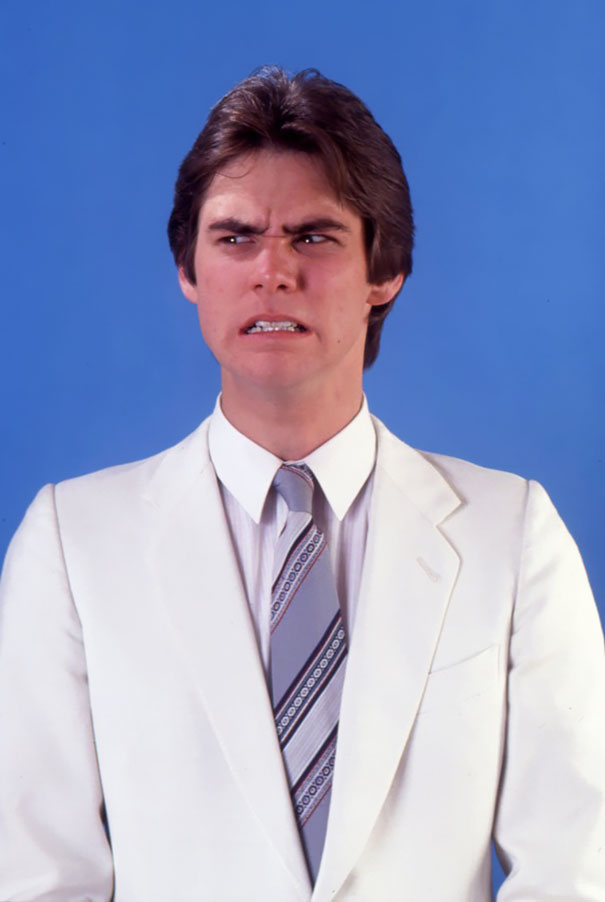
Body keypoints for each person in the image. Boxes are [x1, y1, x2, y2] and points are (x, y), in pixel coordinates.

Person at [0, 67, 603, 902]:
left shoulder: (511, 536)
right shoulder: (73, 544)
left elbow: (576, 868)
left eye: (314, 236)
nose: (271, 270)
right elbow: (35, 875)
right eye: (235, 236)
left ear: (383, 271)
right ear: (189, 270)